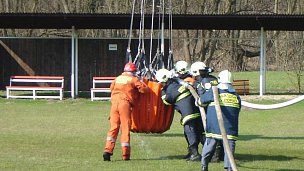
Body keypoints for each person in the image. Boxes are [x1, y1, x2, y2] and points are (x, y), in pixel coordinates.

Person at [197, 70, 241, 171]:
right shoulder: (236, 96)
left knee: (209, 146)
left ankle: (204, 165)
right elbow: (238, 110)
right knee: (229, 150)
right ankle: (229, 168)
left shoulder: (214, 91)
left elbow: (201, 101)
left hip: (214, 127)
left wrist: (198, 101)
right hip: (230, 128)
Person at [103, 62, 148, 161]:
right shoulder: (134, 79)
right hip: (125, 104)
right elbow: (144, 90)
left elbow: (111, 88)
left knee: (113, 128)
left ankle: (108, 150)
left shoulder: (118, 78)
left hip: (114, 104)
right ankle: (125, 155)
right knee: (125, 128)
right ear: (133, 71)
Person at [155, 68, 203, 161]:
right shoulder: (176, 82)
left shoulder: (170, 89)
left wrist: (163, 92)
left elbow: (167, 101)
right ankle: (194, 152)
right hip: (196, 110)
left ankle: (195, 154)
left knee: (190, 131)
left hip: (189, 113)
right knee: (196, 132)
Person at [190, 61, 224, 163]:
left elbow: (203, 98)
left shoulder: (202, 82)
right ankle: (221, 154)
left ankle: (214, 155)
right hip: (220, 110)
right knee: (219, 132)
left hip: (208, 111)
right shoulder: (213, 79)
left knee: (206, 133)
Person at [174, 60, 204, 160]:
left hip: (192, 111)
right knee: (190, 132)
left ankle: (195, 154)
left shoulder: (188, 80)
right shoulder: (188, 78)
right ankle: (192, 152)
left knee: (192, 132)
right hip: (193, 110)